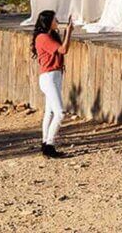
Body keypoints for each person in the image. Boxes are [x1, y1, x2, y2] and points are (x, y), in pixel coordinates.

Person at [31, 10, 73, 158]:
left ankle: (45, 143)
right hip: (49, 77)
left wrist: (66, 32)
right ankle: (49, 144)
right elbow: (63, 50)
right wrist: (69, 32)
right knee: (60, 113)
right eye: (55, 19)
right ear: (48, 22)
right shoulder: (43, 38)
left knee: (49, 112)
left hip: (54, 76)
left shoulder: (49, 36)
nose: (57, 22)